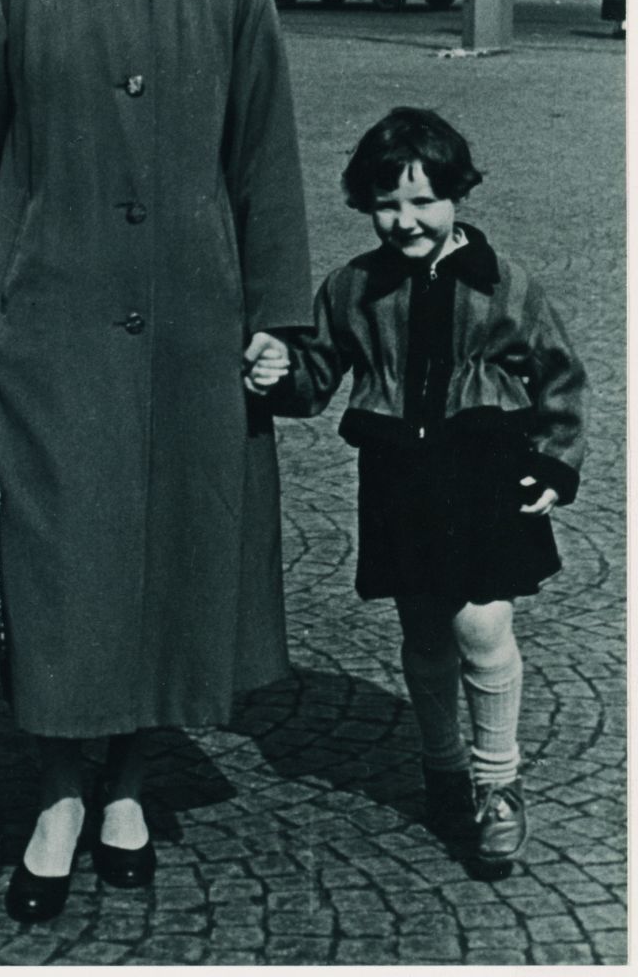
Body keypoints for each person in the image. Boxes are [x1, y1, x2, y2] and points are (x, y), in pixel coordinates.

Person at [0, 0, 312, 923]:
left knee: (171, 557)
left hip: (195, 322)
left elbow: (266, 158)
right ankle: (56, 790)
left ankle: (132, 780)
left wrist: (279, 317)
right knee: (58, 562)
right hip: (47, 322)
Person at [272, 107, 585, 870]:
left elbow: (561, 376)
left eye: (424, 200)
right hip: (400, 480)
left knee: (482, 624)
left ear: (457, 195)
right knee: (422, 630)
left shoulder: (505, 284)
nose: (406, 220)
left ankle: (498, 783)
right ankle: (442, 766)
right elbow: (315, 378)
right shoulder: (353, 288)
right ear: (365, 203)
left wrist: (554, 462)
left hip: (487, 474)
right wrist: (278, 372)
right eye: (387, 203)